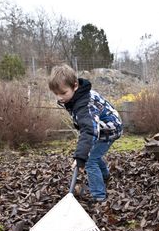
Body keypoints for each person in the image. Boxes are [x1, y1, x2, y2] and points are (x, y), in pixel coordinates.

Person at [48, 64, 122, 202]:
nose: (59, 98)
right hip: (99, 129)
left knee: (90, 160)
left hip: (109, 130)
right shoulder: (76, 96)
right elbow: (87, 127)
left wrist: (81, 157)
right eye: (56, 94)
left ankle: (99, 196)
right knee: (94, 154)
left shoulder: (86, 103)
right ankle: (105, 175)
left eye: (63, 93)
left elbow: (89, 130)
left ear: (75, 86)